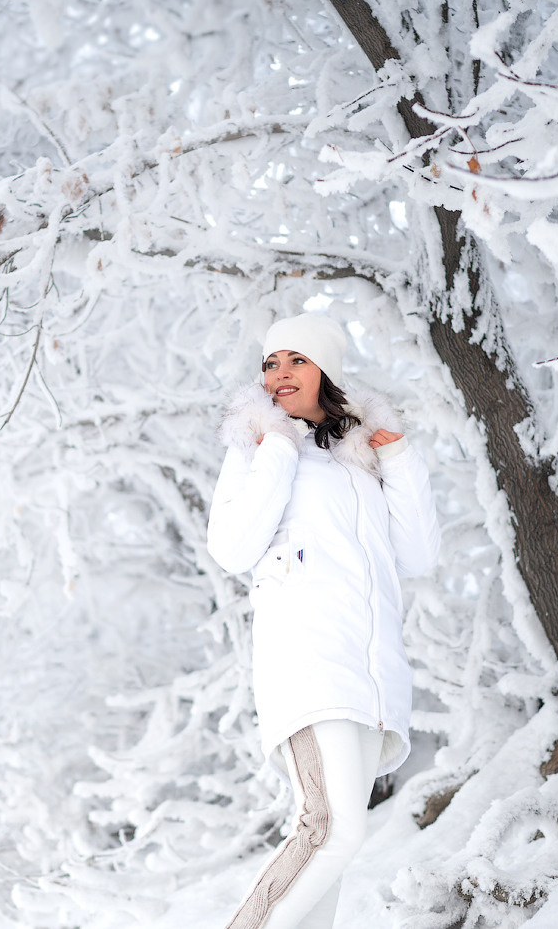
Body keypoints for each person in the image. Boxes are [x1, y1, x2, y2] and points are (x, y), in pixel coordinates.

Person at [207, 313, 441, 929]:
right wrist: (279, 449)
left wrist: (400, 460)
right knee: (332, 830)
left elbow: (417, 554)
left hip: (371, 673)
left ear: (325, 371)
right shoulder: (258, 447)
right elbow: (232, 548)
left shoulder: (357, 460)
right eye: (270, 363)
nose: (279, 374)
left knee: (331, 858)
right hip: (309, 660)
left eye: (296, 361)